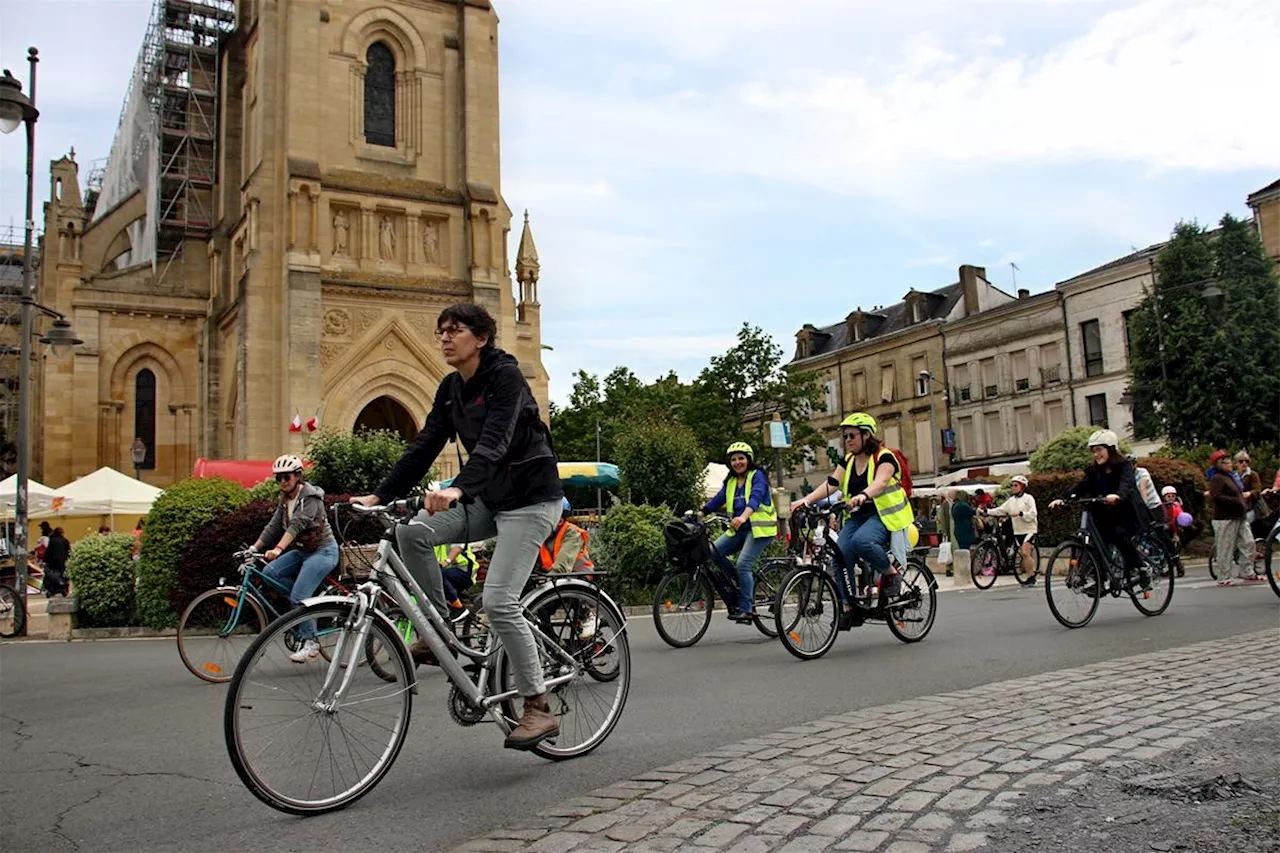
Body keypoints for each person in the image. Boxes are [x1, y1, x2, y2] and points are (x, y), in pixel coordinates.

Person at [354, 302, 564, 751]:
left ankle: (538, 706)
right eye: (441, 331)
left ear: (481, 338)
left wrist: (457, 488)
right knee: (411, 532)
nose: (445, 338)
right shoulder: (452, 388)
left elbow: (496, 440)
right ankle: (439, 634)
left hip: (530, 500)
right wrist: (380, 495)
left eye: (456, 330)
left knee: (499, 601)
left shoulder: (505, 376)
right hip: (489, 498)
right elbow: (425, 445)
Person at [794, 413, 913, 619]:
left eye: (851, 435)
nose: (847, 440)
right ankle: (848, 606)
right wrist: (806, 500)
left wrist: (864, 494)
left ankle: (890, 573)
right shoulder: (848, 460)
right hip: (858, 516)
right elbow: (832, 483)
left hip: (884, 515)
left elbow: (881, 482)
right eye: (845, 436)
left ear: (866, 435)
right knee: (841, 554)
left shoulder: (884, 456)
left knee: (862, 542)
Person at [251, 454, 340, 663]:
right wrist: (253, 548)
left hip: (324, 551)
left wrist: (278, 549)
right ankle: (306, 604)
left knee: (298, 596)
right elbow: (273, 526)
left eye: (286, 477)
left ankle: (311, 643)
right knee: (270, 573)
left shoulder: (310, 498)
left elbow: (297, 525)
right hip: (303, 551)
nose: (282, 482)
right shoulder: (285, 500)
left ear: (298, 476)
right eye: (278, 478)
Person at [1049, 429, 1149, 592]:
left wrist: (1117, 495)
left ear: (1110, 449)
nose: (1096, 454)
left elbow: (1126, 484)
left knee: (1118, 535)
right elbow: (1081, 487)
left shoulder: (1124, 466)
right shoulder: (1094, 471)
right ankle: (1100, 581)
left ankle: (1141, 567)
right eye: (1093, 451)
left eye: (1099, 450)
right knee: (1094, 542)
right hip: (1104, 514)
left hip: (1125, 512)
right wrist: (1063, 498)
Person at [701, 441, 778, 623]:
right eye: (733, 459)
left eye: (741, 458)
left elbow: (756, 498)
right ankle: (740, 581)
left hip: (759, 530)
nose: (737, 462)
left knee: (743, 564)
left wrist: (743, 516)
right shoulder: (731, 481)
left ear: (748, 460)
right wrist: (700, 513)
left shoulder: (757, 476)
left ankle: (746, 609)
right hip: (738, 530)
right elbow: (718, 499)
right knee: (712, 553)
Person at [1207, 449, 1259, 586]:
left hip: (1239, 516)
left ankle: (1247, 571)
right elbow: (1216, 496)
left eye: (1230, 461)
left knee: (1248, 543)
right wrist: (1236, 500)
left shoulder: (1231, 477)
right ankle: (1224, 576)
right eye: (1227, 462)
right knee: (1225, 547)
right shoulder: (1217, 478)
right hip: (1225, 517)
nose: (1230, 464)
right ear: (1220, 464)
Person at [981, 475, 1039, 583]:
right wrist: (987, 511)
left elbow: (1033, 513)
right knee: (1023, 554)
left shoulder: (1028, 498)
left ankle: (1031, 577)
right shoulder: (1011, 500)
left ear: (1022, 486)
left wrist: (1021, 514)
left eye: (1016, 485)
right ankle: (1030, 572)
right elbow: (1001, 510)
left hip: (1029, 530)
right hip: (1017, 531)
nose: (1013, 487)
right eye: (1012, 485)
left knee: (1025, 553)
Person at [42, 526, 71, 597]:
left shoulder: (52, 540)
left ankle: (52, 589)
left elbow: (48, 551)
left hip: (52, 562)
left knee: (51, 576)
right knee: (62, 575)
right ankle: (62, 588)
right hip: (62, 562)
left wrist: (45, 560)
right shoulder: (65, 540)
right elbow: (69, 551)